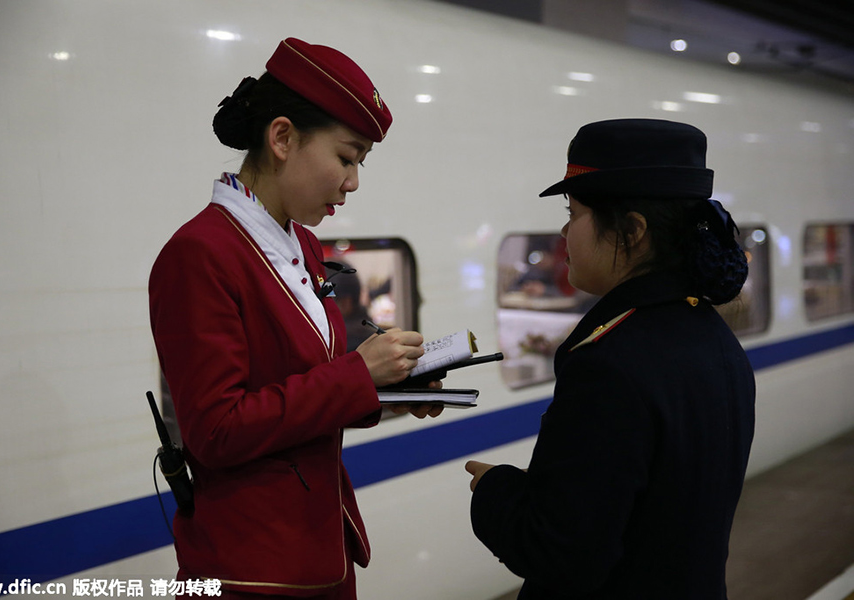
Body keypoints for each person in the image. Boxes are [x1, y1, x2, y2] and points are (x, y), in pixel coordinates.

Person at [149, 37, 441, 599]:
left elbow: (298, 391)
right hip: (251, 571)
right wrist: (359, 375)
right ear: (282, 137)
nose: (353, 181)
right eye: (346, 157)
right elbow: (216, 430)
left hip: (314, 551)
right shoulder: (201, 253)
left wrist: (388, 392)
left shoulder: (300, 246)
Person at [466, 119, 756, 599]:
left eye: (574, 213)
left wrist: (495, 491)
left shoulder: (609, 365)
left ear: (634, 230)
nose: (563, 231)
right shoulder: (715, 339)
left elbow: (559, 553)